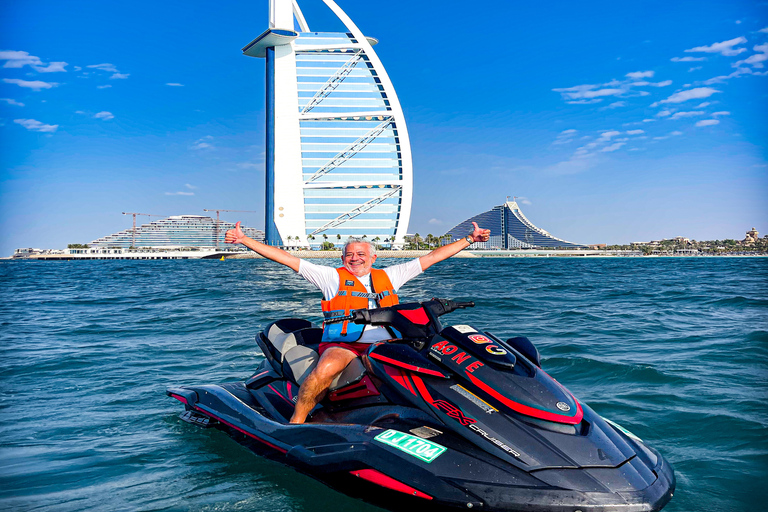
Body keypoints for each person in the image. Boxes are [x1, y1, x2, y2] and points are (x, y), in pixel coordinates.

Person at [225, 222, 490, 424]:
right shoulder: (330, 277)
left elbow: (433, 257)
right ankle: (297, 421)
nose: (355, 258)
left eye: (361, 254)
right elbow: (286, 259)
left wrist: (470, 239)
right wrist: (244, 240)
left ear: (373, 257)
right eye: (349, 254)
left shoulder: (391, 275)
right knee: (325, 368)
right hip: (346, 344)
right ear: (342, 259)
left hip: (389, 343)